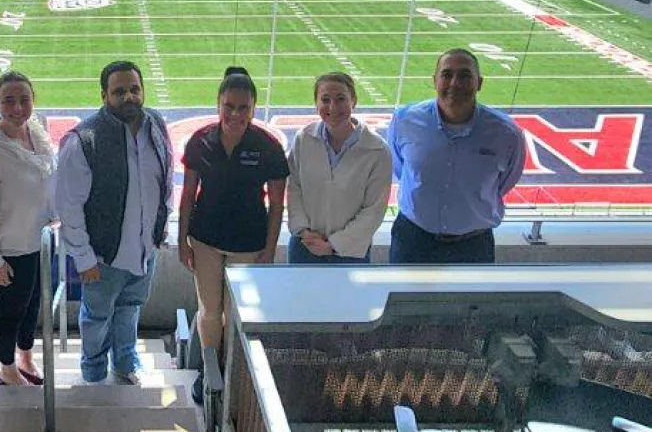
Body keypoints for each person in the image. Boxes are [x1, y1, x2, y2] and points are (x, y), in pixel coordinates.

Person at [57, 60, 173, 386]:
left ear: (143, 91)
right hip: (102, 255)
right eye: (119, 91)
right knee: (96, 317)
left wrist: (159, 228)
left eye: (134, 89)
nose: (128, 97)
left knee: (130, 308)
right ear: (105, 95)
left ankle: (125, 364)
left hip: (144, 249)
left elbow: (164, 182)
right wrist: (83, 257)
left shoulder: (156, 124)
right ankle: (92, 374)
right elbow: (68, 206)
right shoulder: (85, 139)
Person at [178, 67, 288, 403]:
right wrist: (182, 239)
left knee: (237, 312)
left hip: (248, 242)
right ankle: (211, 373)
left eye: (243, 108)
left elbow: (277, 206)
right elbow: (187, 194)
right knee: (210, 310)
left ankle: (233, 371)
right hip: (206, 238)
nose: (236, 114)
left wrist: (269, 250)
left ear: (254, 109)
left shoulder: (268, 146)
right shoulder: (201, 141)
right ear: (218, 105)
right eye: (229, 106)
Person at [388, 49, 526, 264]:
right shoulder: (404, 121)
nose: (455, 83)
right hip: (413, 238)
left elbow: (506, 181)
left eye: (464, 76)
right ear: (434, 81)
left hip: (474, 245)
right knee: (405, 298)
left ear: (479, 83)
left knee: (469, 299)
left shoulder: (506, 133)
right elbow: (401, 168)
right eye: (447, 75)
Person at [0, 71, 55, 387]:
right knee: (11, 314)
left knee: (32, 309)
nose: (17, 107)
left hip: (39, 242)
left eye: (24, 99)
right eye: (8, 100)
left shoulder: (36, 131)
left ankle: (26, 359)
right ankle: (6, 370)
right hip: (9, 251)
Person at [287, 73, 391, 264]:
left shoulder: (377, 151)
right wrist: (304, 231)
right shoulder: (304, 139)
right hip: (305, 245)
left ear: (354, 101)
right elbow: (294, 188)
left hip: (350, 253)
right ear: (315, 103)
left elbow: (373, 210)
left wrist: (334, 245)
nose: (333, 107)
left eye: (341, 99)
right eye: (325, 100)